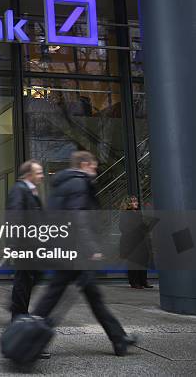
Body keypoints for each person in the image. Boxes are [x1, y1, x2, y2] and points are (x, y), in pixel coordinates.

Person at [31, 151, 138, 356]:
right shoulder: (79, 183)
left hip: (63, 248)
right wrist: (92, 248)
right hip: (76, 251)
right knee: (66, 297)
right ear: (85, 164)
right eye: (94, 166)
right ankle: (31, 339)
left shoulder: (61, 184)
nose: (95, 170)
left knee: (72, 295)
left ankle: (119, 339)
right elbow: (79, 219)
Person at [7, 160, 45, 321]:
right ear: (29, 175)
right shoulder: (19, 190)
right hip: (24, 244)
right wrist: (13, 244)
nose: (42, 176)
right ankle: (18, 313)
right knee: (24, 279)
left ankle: (17, 307)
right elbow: (14, 216)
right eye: (38, 173)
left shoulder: (30, 191)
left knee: (34, 275)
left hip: (32, 244)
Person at [119, 195, 153, 289]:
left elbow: (142, 226)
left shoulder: (138, 213)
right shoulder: (125, 214)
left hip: (140, 240)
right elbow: (123, 228)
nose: (137, 203)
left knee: (143, 260)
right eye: (134, 201)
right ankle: (134, 282)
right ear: (129, 204)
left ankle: (143, 281)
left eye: (136, 201)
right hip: (131, 242)